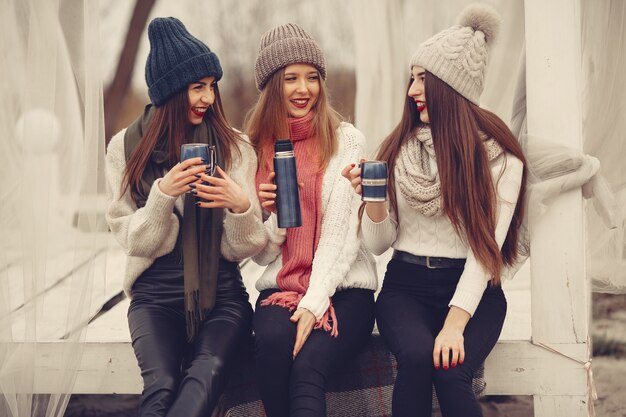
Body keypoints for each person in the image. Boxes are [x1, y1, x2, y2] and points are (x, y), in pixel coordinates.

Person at [342, 4, 527, 417]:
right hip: (405, 287)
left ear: (451, 86)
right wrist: (372, 201)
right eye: (413, 79)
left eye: (423, 79)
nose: (411, 90)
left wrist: (455, 324)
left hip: (475, 293)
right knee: (417, 357)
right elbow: (378, 245)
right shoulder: (396, 151)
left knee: (451, 370)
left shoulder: (501, 162)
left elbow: (485, 254)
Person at [105, 17, 267, 417]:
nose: (209, 98)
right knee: (160, 384)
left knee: (205, 372)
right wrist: (162, 196)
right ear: (171, 92)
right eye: (198, 87)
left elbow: (246, 247)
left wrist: (240, 205)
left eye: (212, 86)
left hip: (222, 296)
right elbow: (134, 241)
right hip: (154, 296)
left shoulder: (236, 149)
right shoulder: (124, 149)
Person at [244, 23, 378, 417]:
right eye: (291, 79)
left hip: (344, 289)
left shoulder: (347, 140)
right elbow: (263, 252)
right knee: (270, 345)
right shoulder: (256, 148)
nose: (304, 89)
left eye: (312, 77)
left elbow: (340, 237)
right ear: (272, 86)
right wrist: (269, 216)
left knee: (307, 368)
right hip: (282, 284)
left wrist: (314, 305)